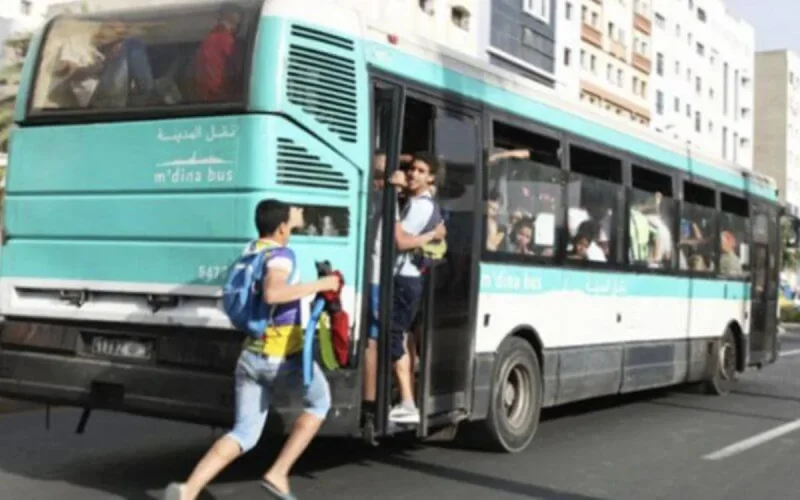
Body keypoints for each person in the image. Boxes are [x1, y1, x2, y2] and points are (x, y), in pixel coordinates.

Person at [164, 199, 340, 500]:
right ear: (283, 227)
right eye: (292, 213)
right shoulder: (281, 256)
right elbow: (273, 293)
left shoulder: (252, 250)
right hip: (282, 358)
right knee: (319, 404)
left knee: (243, 433)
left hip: (250, 355)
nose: (297, 213)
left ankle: (188, 491)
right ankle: (278, 472)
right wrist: (321, 283)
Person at [362, 152, 443, 426]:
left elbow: (399, 241)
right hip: (402, 277)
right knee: (398, 336)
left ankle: (407, 402)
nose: (412, 174)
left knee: (393, 337)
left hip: (405, 280)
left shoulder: (420, 206)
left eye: (421, 171)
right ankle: (404, 399)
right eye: (411, 169)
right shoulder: (414, 201)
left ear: (431, 177)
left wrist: (393, 200)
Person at [193, 2, 244, 102]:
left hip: (205, 97)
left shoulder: (207, 40)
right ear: (232, 18)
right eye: (239, 19)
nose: (239, 23)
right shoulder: (226, 40)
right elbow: (239, 68)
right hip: (221, 97)